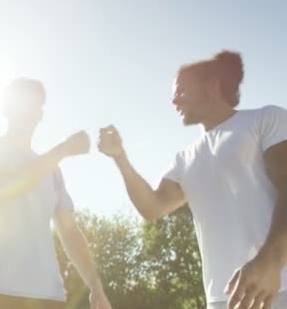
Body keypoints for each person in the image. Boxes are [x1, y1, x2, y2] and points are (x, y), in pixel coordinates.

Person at [98, 51, 287, 309]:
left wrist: (272, 260)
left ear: (211, 85)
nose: (174, 99)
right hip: (224, 299)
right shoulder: (184, 159)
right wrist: (120, 158)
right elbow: (151, 207)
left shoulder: (266, 119)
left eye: (182, 90)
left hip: (278, 286)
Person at [0, 78, 112, 309]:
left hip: (48, 298)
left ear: (40, 115)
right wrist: (63, 150)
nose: (27, 110)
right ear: (6, 108)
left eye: (34, 104)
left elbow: (70, 232)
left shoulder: (52, 170)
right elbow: (2, 191)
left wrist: (96, 286)